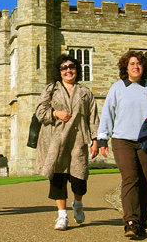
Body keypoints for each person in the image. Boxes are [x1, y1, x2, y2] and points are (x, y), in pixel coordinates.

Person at [97, 50, 147, 237]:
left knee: (144, 181)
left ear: (143, 67)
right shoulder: (118, 88)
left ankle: (141, 223)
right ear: (126, 68)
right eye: (131, 64)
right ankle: (130, 221)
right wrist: (102, 138)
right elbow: (108, 114)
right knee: (130, 178)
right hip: (123, 140)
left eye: (138, 63)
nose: (135, 66)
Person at [35, 55, 99, 230]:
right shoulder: (51, 89)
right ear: (59, 71)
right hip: (55, 141)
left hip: (78, 141)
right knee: (58, 178)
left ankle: (77, 203)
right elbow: (40, 112)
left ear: (77, 70)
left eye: (71, 67)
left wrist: (95, 140)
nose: (68, 70)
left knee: (79, 180)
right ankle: (62, 216)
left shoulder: (85, 93)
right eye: (64, 67)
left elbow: (93, 118)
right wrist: (56, 114)